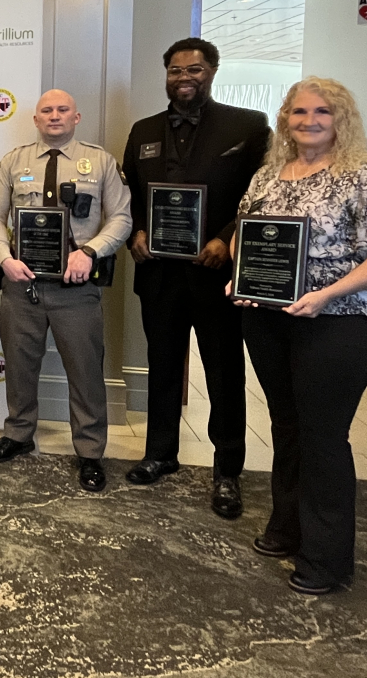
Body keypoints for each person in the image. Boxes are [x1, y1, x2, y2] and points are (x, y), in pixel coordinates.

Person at [232, 77, 367, 595]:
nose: (309, 120)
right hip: (268, 318)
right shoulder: (268, 176)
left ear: (342, 119)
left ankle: (328, 558)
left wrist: (330, 292)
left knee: (323, 436)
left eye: (323, 112)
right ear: (285, 119)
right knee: (286, 425)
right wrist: (241, 277)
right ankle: (287, 527)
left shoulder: (363, 177)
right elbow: (250, 236)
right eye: (298, 111)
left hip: (338, 322)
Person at [121, 38, 270, 519]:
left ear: (212, 71)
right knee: (163, 365)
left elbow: (261, 196)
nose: (185, 77)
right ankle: (160, 454)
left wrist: (228, 237)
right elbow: (131, 199)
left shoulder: (247, 127)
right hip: (159, 274)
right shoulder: (142, 130)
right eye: (176, 70)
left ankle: (227, 471)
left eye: (195, 69)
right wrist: (137, 232)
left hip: (216, 274)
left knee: (224, 371)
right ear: (165, 74)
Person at [0, 90, 132, 491]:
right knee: (19, 365)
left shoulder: (100, 161)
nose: (54, 116)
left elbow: (120, 218)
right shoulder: (14, 161)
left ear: (76, 116)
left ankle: (90, 451)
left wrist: (90, 252)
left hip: (76, 287)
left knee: (84, 372)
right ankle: (18, 434)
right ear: (35, 118)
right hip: (23, 285)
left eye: (62, 109)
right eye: (46, 110)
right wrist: (3, 257)